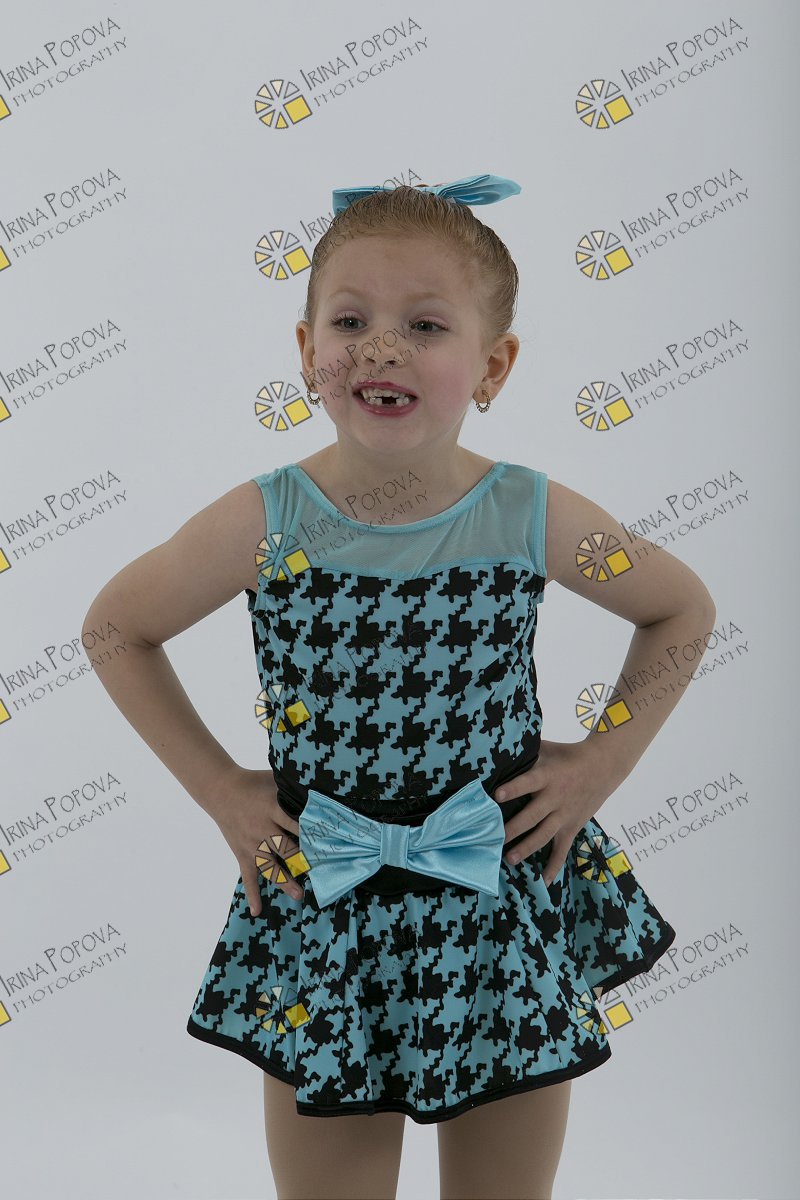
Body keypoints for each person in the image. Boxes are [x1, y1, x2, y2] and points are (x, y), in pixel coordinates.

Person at [82, 174, 716, 1200]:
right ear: (306, 353)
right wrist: (220, 789)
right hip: (326, 900)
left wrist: (602, 759)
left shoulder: (529, 513)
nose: (381, 348)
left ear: (493, 365)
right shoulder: (266, 522)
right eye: (350, 321)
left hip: (500, 903)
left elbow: (680, 609)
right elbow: (116, 629)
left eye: (424, 325)